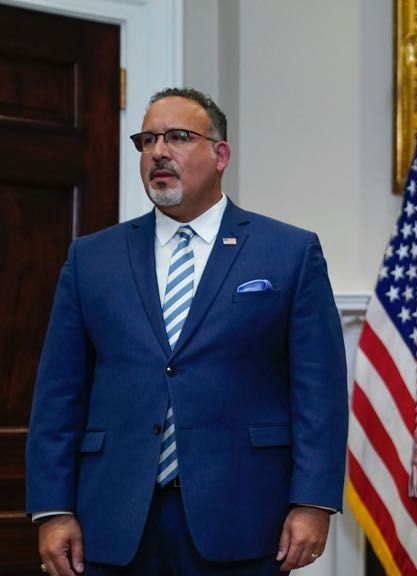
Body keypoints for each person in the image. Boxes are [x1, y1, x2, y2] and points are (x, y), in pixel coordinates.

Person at [25, 88, 347, 575]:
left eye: (178, 137)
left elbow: (319, 392)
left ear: (221, 154)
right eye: (148, 139)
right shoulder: (92, 258)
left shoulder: (289, 252)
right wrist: (52, 508)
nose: (158, 151)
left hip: (243, 516)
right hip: (111, 518)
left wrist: (314, 502)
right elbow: (58, 393)